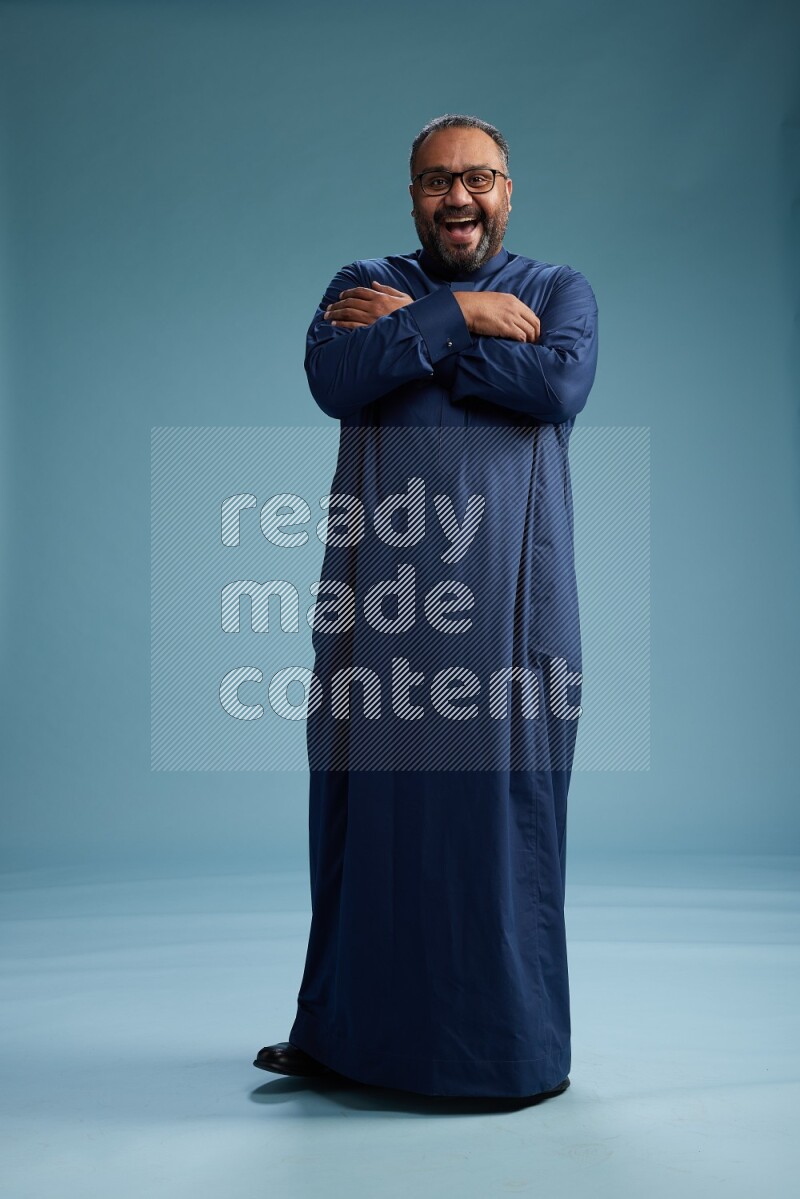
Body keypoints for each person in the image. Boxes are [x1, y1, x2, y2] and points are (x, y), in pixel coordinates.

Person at [253, 114, 598, 1100]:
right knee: (366, 824)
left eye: (478, 178)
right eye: (437, 180)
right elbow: (334, 376)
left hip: (510, 614)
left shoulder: (556, 290)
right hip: (379, 610)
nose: (458, 197)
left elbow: (558, 381)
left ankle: (508, 1052)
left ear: (507, 189)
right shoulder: (357, 283)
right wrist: (462, 320)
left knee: (498, 826)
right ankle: (342, 1038)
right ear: (411, 194)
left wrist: (420, 338)